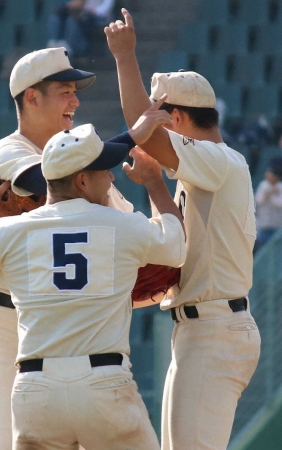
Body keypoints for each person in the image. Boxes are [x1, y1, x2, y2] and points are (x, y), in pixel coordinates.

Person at [0, 120, 186, 449]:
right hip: (103, 384)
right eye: (104, 170)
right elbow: (176, 247)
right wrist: (154, 183)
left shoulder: (11, 231)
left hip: (36, 391)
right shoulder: (121, 224)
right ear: (81, 180)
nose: (110, 178)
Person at [105, 9, 261, 450]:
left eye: (159, 112)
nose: (153, 118)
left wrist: (124, 57)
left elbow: (141, 130)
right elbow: (179, 243)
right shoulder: (208, 170)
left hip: (214, 329)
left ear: (174, 117)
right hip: (202, 328)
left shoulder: (218, 160)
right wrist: (156, 185)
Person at [0, 47, 98, 450]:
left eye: (75, 91)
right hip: (1, 321)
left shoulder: (80, 158)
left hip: (57, 323)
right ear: (31, 98)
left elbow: (121, 221)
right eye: (64, 91)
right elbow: (42, 181)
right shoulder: (9, 150)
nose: (75, 100)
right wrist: (132, 137)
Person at [46, 0, 115, 58]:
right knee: (56, 18)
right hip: (80, 14)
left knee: (72, 21)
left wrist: (88, 10)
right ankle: (54, 43)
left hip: (98, 19)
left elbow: (105, 8)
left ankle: (67, 46)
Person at [254, 155, 282, 252]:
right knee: (262, 250)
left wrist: (272, 195)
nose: (267, 174)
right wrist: (269, 193)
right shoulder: (263, 185)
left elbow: (280, 204)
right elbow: (258, 200)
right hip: (264, 225)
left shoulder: (280, 187)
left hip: (277, 226)